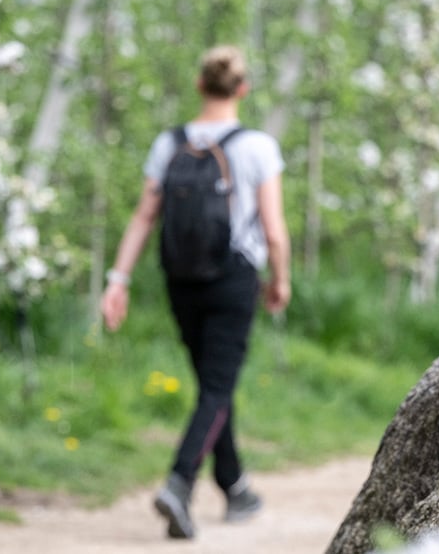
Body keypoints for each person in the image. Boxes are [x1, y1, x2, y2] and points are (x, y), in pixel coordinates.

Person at [99, 45, 290, 540]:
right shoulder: (257, 147)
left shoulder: (170, 144)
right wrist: (280, 281)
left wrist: (117, 281)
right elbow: (274, 232)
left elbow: (144, 216)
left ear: (199, 86)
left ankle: (234, 485)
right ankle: (180, 483)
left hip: (180, 278)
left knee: (211, 382)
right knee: (218, 386)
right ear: (242, 89)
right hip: (233, 277)